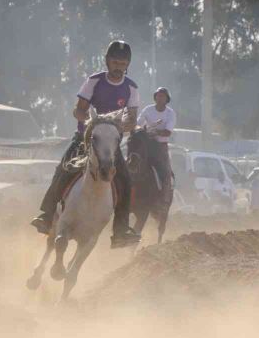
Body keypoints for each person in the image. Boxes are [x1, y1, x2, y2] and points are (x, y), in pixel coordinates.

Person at [29, 40, 142, 248]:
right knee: (62, 169)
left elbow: (132, 120)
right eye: (115, 62)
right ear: (107, 62)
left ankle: (120, 231)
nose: (119, 67)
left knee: (125, 180)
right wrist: (91, 121)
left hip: (110, 144)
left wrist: (115, 124)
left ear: (128, 64)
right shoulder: (94, 81)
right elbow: (78, 110)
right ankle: (46, 214)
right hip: (85, 138)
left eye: (123, 63)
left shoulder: (131, 88)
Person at [137, 87, 176, 201]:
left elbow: (167, 132)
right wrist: (143, 129)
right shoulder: (148, 110)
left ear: (167, 99)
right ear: (155, 97)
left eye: (162, 96)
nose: (160, 98)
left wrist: (154, 131)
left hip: (160, 147)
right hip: (146, 145)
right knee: (131, 162)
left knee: (165, 171)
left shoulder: (170, 113)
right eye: (158, 96)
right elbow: (138, 124)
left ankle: (165, 197)